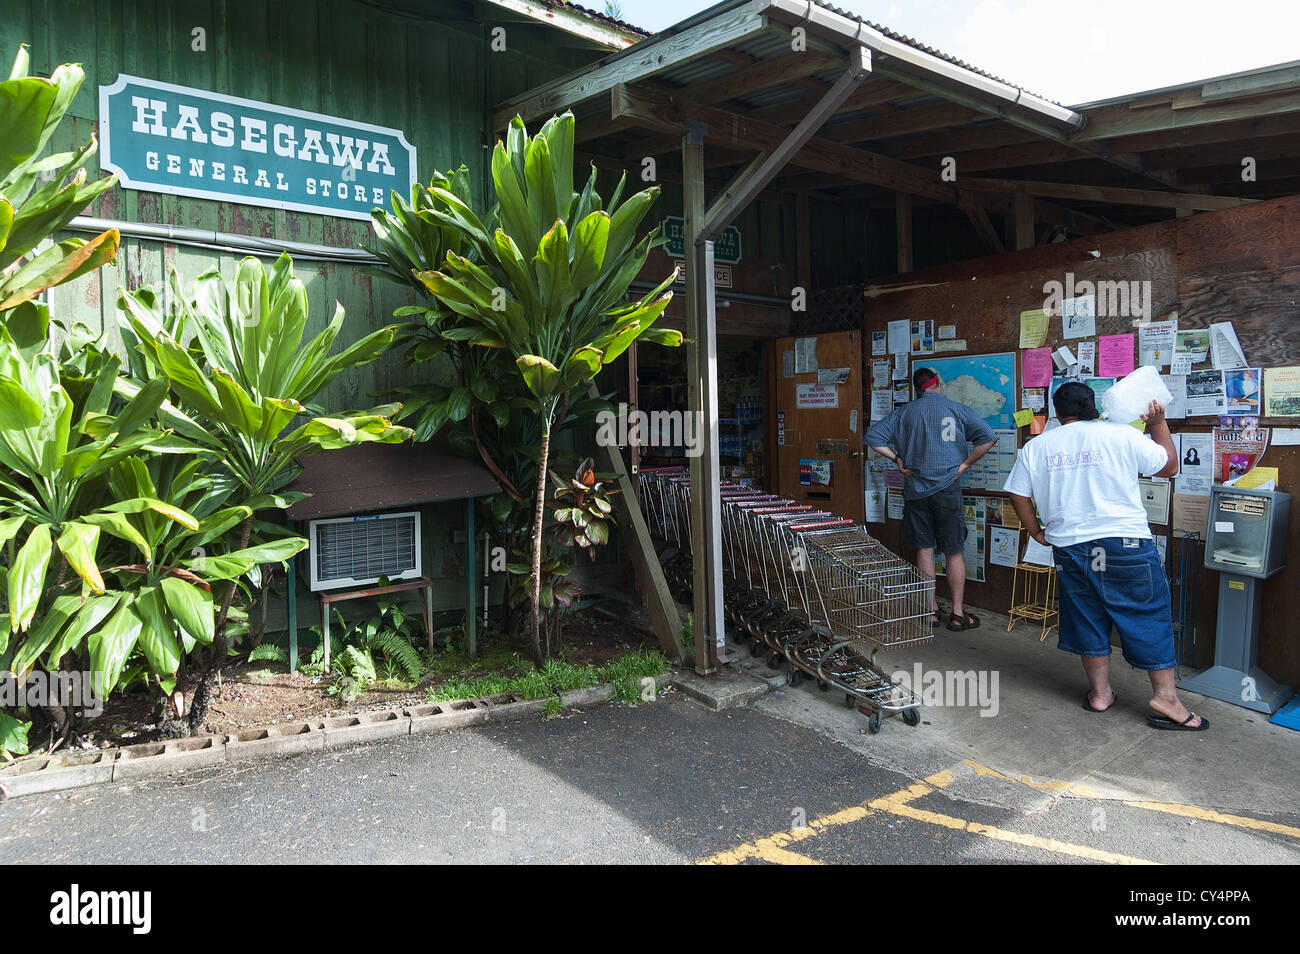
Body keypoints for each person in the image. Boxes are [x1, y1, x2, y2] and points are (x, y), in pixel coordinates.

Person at [1003, 381, 1208, 731]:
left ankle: (1100, 694)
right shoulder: (1120, 435)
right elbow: (1170, 466)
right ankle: (1166, 699)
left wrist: (1037, 531)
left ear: (1057, 412)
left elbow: (1017, 495)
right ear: (1092, 407)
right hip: (1123, 545)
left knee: (1086, 616)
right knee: (1147, 614)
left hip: (1071, 549)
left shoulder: (1037, 447)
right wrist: (1157, 422)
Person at [865, 367, 997, 630]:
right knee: (953, 550)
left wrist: (898, 459)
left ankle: (930, 611)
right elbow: (988, 438)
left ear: (917, 388)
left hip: (916, 491)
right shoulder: (957, 409)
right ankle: (958, 614)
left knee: (925, 548)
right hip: (948, 488)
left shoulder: (905, 412)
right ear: (938, 385)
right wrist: (966, 464)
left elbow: (872, 437)